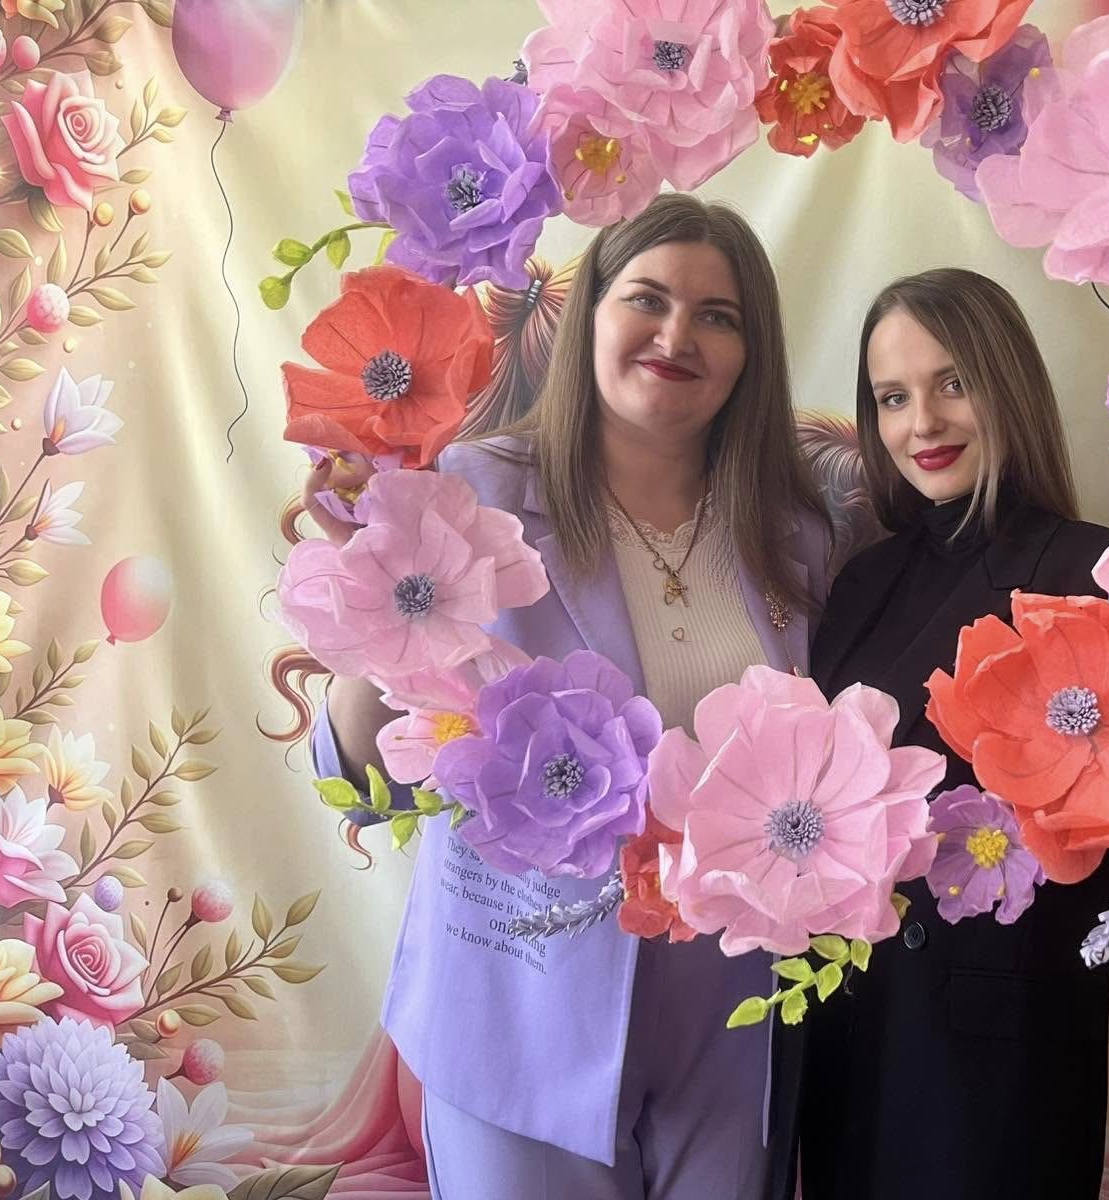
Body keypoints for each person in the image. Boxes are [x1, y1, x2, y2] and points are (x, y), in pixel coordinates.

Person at [307, 193, 831, 1198]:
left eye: (718, 316)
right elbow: (365, 778)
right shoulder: (470, 489)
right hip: (520, 1002)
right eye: (648, 299)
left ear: (751, 353)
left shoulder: (795, 530)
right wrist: (379, 611)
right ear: (589, 312)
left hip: (732, 1014)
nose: (677, 335)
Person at [769, 268, 1109, 1199]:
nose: (923, 422)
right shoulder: (862, 582)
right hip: (850, 1026)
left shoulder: (1099, 571)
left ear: (1006, 383)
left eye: (952, 383)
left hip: (997, 1055)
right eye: (893, 397)